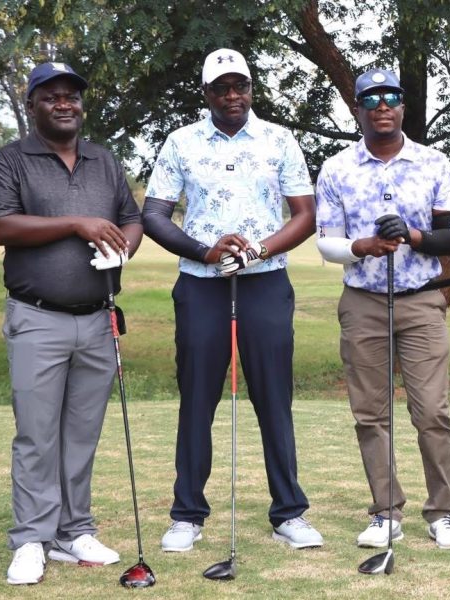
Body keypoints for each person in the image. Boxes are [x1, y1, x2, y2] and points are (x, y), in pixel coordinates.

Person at [142, 48, 320, 551]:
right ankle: (187, 515)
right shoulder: (180, 142)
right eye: (221, 87)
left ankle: (289, 513)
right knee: (197, 398)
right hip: (201, 283)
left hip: (265, 280)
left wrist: (259, 249)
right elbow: (154, 214)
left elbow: (304, 214)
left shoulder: (278, 139)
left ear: (250, 88)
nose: (232, 95)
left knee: (273, 398)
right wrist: (205, 249)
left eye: (239, 85)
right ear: (206, 94)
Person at [0, 61, 143, 585]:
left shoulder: (104, 158)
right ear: (32, 105)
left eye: (71, 95)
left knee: (80, 434)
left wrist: (122, 250)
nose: (64, 102)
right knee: (36, 436)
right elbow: (1, 226)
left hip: (96, 321)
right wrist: (77, 223)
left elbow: (130, 218)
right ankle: (31, 538)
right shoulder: (11, 160)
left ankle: (73, 532)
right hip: (37, 319)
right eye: (51, 96)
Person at [314, 68, 450, 550]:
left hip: (421, 300)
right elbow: (327, 243)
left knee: (432, 412)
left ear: (403, 107)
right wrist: (362, 246)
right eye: (372, 98)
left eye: (392, 97)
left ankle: (443, 512)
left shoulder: (434, 162)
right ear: (358, 108)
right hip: (362, 302)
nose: (383, 105)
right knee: (370, 414)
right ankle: (385, 511)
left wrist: (413, 236)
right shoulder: (337, 168)